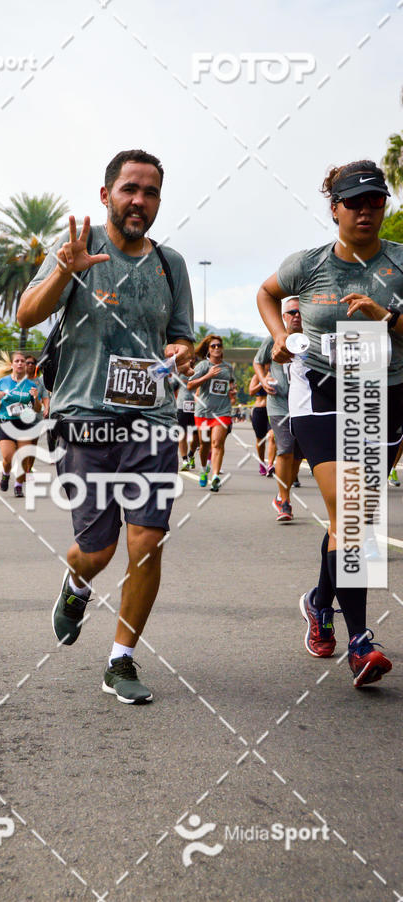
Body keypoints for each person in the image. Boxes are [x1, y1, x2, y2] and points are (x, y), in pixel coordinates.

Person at [17, 149, 194, 704]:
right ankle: (76, 583)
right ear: (106, 195)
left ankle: (121, 660)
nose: (139, 200)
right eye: (129, 189)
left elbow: (183, 335)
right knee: (97, 549)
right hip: (84, 416)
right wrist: (65, 270)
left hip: (152, 419)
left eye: (150, 192)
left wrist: (180, 352)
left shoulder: (172, 264)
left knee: (147, 543)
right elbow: (26, 314)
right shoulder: (79, 245)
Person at [258, 159, 403, 688]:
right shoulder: (309, 264)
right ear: (335, 208)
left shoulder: (400, 262)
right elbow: (267, 293)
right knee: (354, 511)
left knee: (350, 515)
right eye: (355, 202)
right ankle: (362, 642)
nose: (366, 210)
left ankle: (320, 601)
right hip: (318, 389)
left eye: (376, 201)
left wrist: (385, 319)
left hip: (383, 390)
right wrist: (277, 334)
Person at [254, 298, 304, 521]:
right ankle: (284, 501)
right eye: (291, 312)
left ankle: (282, 494)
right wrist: (264, 380)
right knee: (285, 449)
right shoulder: (274, 338)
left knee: (297, 455)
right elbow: (258, 361)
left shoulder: (311, 338)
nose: (296, 315)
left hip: (304, 404)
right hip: (279, 403)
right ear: (283, 316)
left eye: (300, 312)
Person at [0, 351, 41, 497]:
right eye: (17, 361)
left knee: (24, 457)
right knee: (8, 457)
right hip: (6, 421)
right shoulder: (3, 382)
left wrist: (35, 398)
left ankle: (18, 485)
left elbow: (37, 409)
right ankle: (5, 473)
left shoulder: (31, 385)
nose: (20, 363)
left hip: (24, 422)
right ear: (12, 365)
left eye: (22, 361)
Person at [187, 335, 235, 492]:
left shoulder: (228, 367)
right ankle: (203, 469)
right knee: (205, 445)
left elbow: (230, 384)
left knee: (217, 443)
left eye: (219, 345)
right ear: (208, 349)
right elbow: (189, 385)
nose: (216, 348)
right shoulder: (202, 366)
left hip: (222, 411)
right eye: (213, 346)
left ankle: (215, 476)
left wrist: (232, 392)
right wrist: (208, 376)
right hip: (203, 412)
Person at [24, 354, 50, 474]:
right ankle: (24, 468)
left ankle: (28, 469)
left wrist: (46, 409)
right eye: (27, 362)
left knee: (32, 445)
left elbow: (45, 397)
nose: (30, 365)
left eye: (32, 363)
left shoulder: (40, 381)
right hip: (19, 417)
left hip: (36, 416)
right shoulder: (18, 380)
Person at [173, 360, 198, 471]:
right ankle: (184, 459)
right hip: (181, 407)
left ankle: (191, 454)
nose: (190, 361)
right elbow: (172, 386)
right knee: (181, 434)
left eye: (192, 359)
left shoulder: (200, 372)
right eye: (187, 359)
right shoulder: (180, 373)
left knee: (197, 436)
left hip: (197, 408)